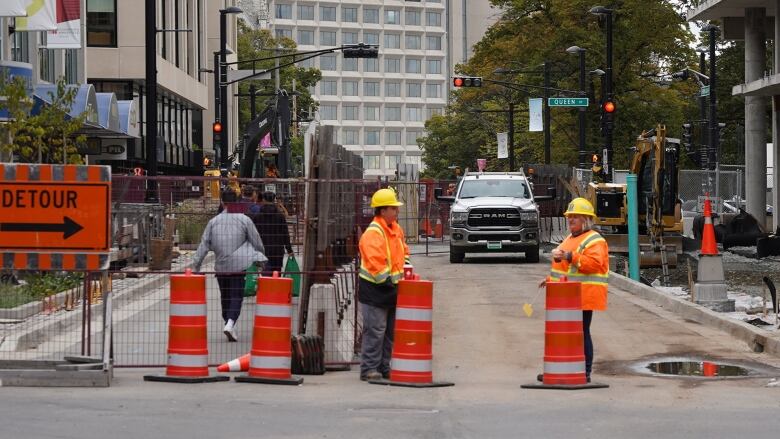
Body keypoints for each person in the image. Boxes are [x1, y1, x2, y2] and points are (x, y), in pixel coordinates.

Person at [540, 197, 609, 382]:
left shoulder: (595, 240)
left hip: (584, 294)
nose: (570, 220)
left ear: (585, 220)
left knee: (582, 332)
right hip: (568, 296)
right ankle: (563, 369)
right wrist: (549, 280)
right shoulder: (570, 238)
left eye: (575, 217)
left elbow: (594, 264)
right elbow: (564, 270)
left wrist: (570, 256)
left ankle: (585, 372)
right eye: (570, 217)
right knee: (568, 333)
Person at [193, 190, 267, 342]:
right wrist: (261, 258)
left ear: (222, 202)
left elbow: (204, 244)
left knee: (225, 296)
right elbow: (256, 241)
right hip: (239, 265)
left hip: (221, 265)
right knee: (236, 296)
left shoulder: (213, 222)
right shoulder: (244, 220)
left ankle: (227, 321)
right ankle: (230, 322)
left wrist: (196, 266)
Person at [358, 188, 411, 381]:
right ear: (382, 211)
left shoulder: (395, 229)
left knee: (388, 332)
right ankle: (369, 369)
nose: (397, 211)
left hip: (390, 289)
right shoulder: (374, 233)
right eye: (393, 208)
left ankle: (383, 366)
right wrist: (388, 280)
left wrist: (404, 275)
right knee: (376, 331)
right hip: (376, 290)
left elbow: (404, 254)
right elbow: (375, 263)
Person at [249, 191, 293, 275]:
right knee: (276, 272)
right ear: (274, 200)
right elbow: (285, 233)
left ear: (264, 200)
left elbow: (253, 234)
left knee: (265, 273)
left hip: (263, 249)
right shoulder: (280, 216)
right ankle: (276, 287)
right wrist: (289, 249)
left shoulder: (257, 216)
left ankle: (266, 287)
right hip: (277, 250)